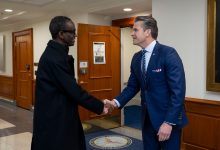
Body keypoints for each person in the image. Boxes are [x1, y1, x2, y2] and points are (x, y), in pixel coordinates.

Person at [31, 16, 112, 150]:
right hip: (56, 118)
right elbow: (73, 90)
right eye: (72, 32)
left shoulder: (56, 54)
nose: (75, 35)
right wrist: (99, 106)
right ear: (61, 34)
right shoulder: (55, 58)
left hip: (58, 114)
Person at [108, 16, 188, 150]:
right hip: (147, 120)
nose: (132, 33)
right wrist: (115, 102)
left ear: (147, 32)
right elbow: (132, 86)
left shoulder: (168, 53)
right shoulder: (137, 58)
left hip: (168, 121)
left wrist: (168, 122)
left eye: (135, 30)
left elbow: (178, 92)